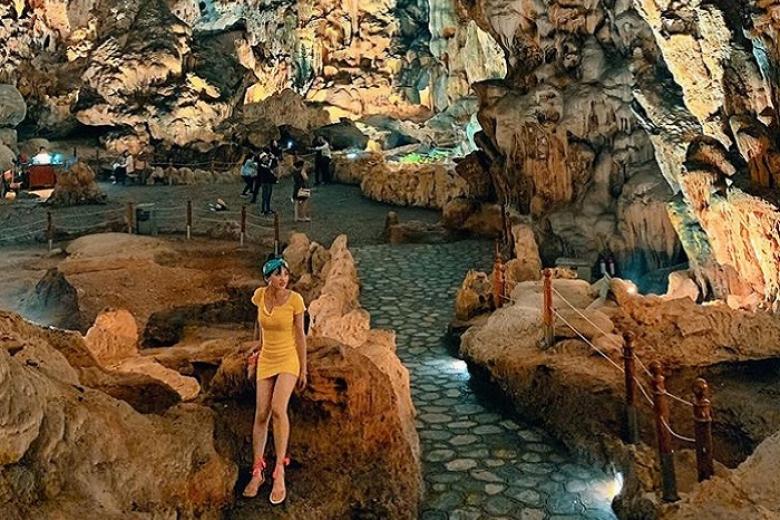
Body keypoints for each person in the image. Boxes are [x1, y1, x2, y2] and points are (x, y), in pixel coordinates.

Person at [243, 257, 307, 505]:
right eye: (278, 274)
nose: (283, 279)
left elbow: (300, 335)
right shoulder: (259, 296)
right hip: (267, 358)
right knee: (261, 414)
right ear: (267, 277)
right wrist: (257, 346)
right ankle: (257, 471)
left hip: (288, 358)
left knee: (278, 409)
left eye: (286, 274)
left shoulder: (295, 300)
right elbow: (259, 324)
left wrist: (304, 369)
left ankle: (279, 471)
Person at [254, 148, 278, 214]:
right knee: (265, 196)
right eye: (265, 157)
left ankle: (267, 209)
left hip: (269, 181)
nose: (266, 158)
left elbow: (274, 165)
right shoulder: (261, 165)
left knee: (268, 196)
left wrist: (273, 159)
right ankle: (263, 210)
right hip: (265, 182)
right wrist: (271, 159)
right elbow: (268, 167)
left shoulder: (266, 163)